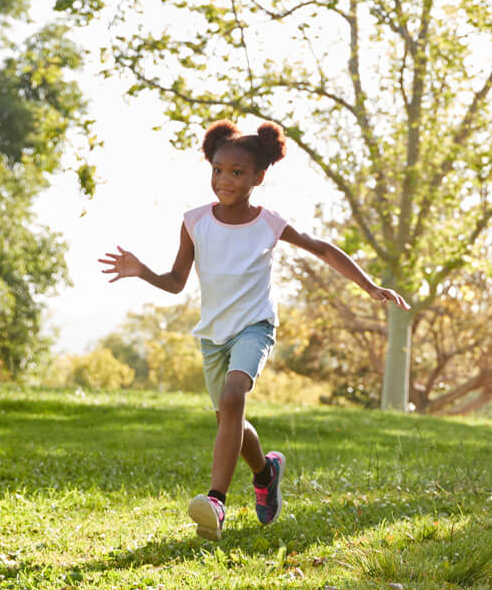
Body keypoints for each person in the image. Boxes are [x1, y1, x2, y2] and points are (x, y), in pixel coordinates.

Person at [99, 120, 407, 540]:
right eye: (217, 170)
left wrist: (369, 284)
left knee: (232, 397)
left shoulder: (269, 223)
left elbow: (322, 248)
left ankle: (216, 503)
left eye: (237, 173)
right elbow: (175, 282)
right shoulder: (194, 221)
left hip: (255, 327)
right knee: (231, 418)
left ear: (258, 177)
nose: (224, 180)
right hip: (213, 336)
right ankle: (266, 472)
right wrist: (142, 272)